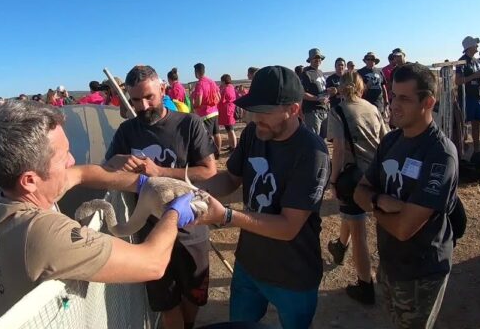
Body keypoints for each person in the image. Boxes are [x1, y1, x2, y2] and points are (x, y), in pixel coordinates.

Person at [0, 100, 197, 318]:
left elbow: (81, 173)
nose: (72, 160)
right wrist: (174, 213)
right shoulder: (42, 232)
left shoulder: (2, 197)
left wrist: (143, 184)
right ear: (29, 180)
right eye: (64, 157)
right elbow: (152, 263)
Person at [195, 65, 330, 329]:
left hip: (293, 274)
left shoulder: (312, 153)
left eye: (264, 111)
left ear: (293, 109)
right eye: (252, 109)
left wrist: (227, 216)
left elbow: (288, 226)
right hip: (249, 264)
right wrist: (195, 190)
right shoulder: (254, 133)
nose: (255, 118)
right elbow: (231, 178)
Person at [104, 65, 217, 329]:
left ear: (163, 89)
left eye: (149, 97)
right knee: (166, 302)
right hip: (150, 234)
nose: (142, 106)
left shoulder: (189, 124)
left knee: (193, 295)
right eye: (135, 100)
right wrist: (114, 162)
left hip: (190, 229)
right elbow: (106, 168)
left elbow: (208, 171)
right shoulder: (127, 131)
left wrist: (160, 171)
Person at [353, 63, 458, 329]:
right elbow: (359, 192)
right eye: (393, 95)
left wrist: (372, 205)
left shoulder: (440, 154)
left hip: (421, 271)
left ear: (428, 102)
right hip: (390, 262)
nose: (394, 105)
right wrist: (380, 201)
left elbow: (403, 228)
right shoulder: (391, 141)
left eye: (404, 99)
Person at [327, 71, 389, 305]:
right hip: (376, 172)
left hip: (354, 177)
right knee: (353, 218)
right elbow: (385, 139)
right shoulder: (372, 108)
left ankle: (365, 284)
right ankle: (340, 246)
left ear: (341, 88)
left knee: (359, 231)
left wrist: (333, 180)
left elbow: (339, 150)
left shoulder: (339, 111)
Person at [456, 36, 480, 160]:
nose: (477, 46)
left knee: (477, 124)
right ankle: (461, 152)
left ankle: (476, 151)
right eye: (475, 44)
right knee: (463, 125)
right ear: (469, 46)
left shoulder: (478, 62)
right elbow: (458, 81)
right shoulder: (462, 62)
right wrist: (475, 76)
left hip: (479, 97)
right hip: (467, 98)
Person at [300, 48, 333, 136]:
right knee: (314, 138)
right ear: (310, 59)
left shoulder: (320, 72)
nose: (317, 59)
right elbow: (302, 93)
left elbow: (321, 89)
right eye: (315, 58)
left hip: (324, 110)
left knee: (324, 138)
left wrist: (328, 91)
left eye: (319, 58)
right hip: (313, 112)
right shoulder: (306, 73)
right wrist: (318, 98)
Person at [192, 63, 221, 158]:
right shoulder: (212, 81)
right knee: (217, 133)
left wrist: (193, 106)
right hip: (215, 111)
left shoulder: (200, 84)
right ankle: (218, 152)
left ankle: (211, 155)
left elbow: (199, 102)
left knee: (208, 136)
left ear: (196, 72)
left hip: (205, 114)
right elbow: (219, 97)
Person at [357, 52, 389, 117]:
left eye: (372, 59)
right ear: (365, 61)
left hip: (379, 104)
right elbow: (357, 90)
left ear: (375, 61)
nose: (370, 61)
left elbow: (383, 87)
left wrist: (386, 101)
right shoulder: (360, 72)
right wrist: (366, 86)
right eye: (368, 59)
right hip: (366, 104)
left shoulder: (379, 72)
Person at [218, 74, 238, 151]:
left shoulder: (226, 89)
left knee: (230, 130)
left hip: (227, 112)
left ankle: (234, 147)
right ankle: (232, 145)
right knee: (229, 130)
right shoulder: (231, 87)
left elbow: (221, 100)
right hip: (230, 110)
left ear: (223, 81)